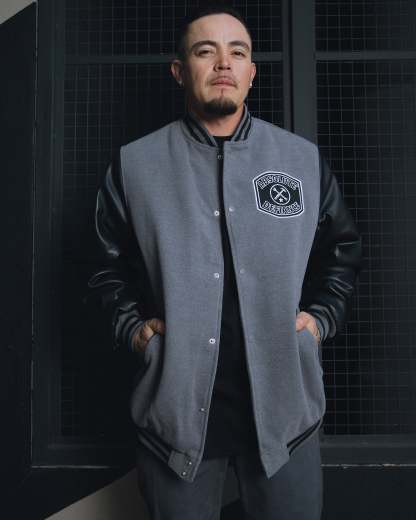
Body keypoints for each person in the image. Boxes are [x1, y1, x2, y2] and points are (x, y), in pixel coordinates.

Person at [87, 4, 362, 519]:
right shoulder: (135, 164)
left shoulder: (300, 160)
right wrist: (136, 332)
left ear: (252, 72)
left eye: (237, 52)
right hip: (175, 419)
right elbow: (103, 267)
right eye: (204, 51)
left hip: (285, 416)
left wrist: (319, 321)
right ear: (179, 71)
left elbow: (342, 252)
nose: (222, 64)